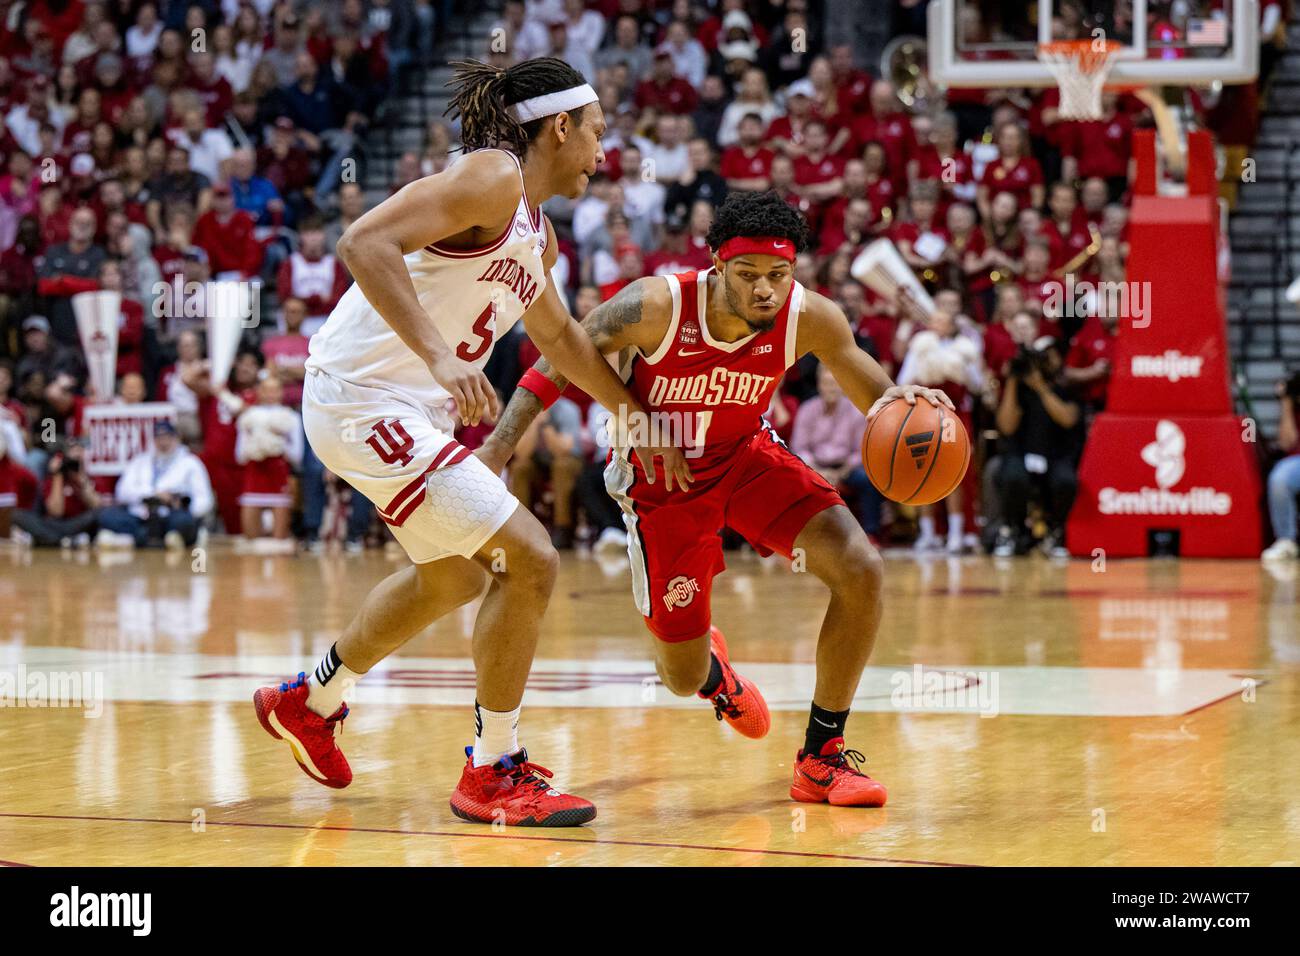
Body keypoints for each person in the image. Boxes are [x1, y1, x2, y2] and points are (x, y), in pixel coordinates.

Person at [254, 58, 687, 827]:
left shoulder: (538, 234)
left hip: (407, 410)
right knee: (531, 558)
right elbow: (363, 243)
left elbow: (560, 337)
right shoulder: (493, 176)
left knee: (452, 579)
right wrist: (441, 355)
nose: (602, 150)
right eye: (596, 132)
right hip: (362, 400)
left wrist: (631, 410)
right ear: (560, 126)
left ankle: (309, 700)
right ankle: (492, 771)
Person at [484, 191, 953, 807]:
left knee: (861, 568)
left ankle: (821, 757)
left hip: (745, 458)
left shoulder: (812, 317)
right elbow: (561, 357)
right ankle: (714, 674)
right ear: (714, 265)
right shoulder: (655, 305)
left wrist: (908, 405)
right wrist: (498, 449)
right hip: (665, 482)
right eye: (748, 275)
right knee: (679, 676)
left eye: (779, 276)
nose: (765, 290)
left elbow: (877, 397)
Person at [991, 339, 1082, 558]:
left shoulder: (1065, 387)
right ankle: (1012, 529)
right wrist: (1013, 380)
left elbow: (1068, 419)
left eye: (1050, 355)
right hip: (1020, 454)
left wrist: (1041, 387)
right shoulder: (1018, 390)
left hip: (1055, 456)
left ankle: (1055, 530)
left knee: (1066, 480)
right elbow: (1006, 425)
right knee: (1012, 476)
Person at [97, 419, 214, 550]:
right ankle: (164, 540)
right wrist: (152, 495)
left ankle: (131, 540)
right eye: (159, 438)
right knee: (107, 516)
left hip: (171, 516)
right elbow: (122, 491)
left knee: (184, 522)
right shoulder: (140, 461)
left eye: (167, 437)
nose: (163, 442)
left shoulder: (191, 463)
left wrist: (180, 505)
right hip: (141, 516)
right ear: (154, 440)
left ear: (176, 438)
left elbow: (205, 500)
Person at [235, 372, 303, 551]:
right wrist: (256, 446)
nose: (271, 394)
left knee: (279, 544)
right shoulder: (248, 417)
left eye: (275, 390)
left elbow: (297, 456)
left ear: (281, 392)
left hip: (278, 477)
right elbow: (240, 455)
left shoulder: (291, 418)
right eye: (266, 390)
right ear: (259, 391)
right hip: (254, 476)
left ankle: (279, 577)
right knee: (251, 544)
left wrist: (277, 443)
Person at [11, 438, 100, 547]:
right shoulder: (52, 479)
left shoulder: (86, 477)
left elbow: (96, 505)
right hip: (54, 523)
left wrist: (82, 481)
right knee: (17, 515)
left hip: (76, 523)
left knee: (99, 514)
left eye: (77, 459)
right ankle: (64, 539)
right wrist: (57, 475)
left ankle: (51, 540)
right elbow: (56, 512)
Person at [1262, 374, 1300, 561]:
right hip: (1297, 461)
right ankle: (1286, 541)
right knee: (1280, 478)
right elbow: (1286, 443)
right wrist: (1286, 402)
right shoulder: (1294, 403)